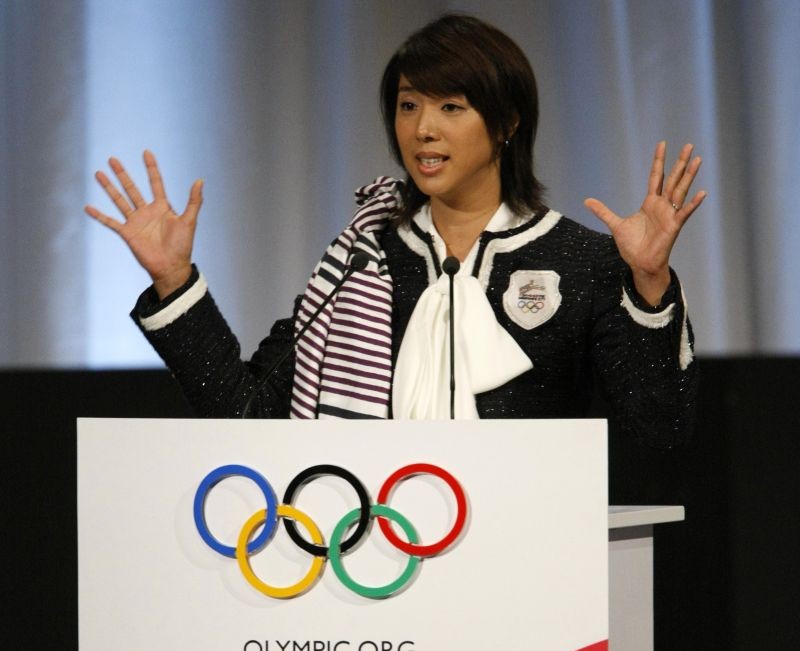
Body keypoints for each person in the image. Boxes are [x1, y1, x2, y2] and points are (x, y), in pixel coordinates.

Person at [85, 14, 703, 447]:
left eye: (450, 107)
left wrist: (649, 284)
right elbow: (248, 414)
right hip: (374, 578)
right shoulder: (362, 261)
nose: (422, 129)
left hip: (527, 582)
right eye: (409, 105)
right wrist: (174, 282)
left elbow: (660, 432)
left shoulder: (578, 260)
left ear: (508, 122)